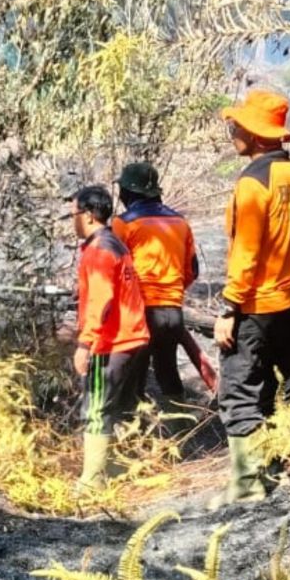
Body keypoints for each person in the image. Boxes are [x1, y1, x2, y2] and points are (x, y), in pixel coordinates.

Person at [214, 90, 290, 504]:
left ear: (254, 135)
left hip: (257, 306)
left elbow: (247, 252)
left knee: (239, 393)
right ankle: (271, 474)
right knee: (279, 392)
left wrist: (229, 309)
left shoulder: (254, 183)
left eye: (235, 126)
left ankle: (246, 488)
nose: (231, 131)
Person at [112, 162, 218, 404]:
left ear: (128, 192)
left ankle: (131, 433)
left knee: (131, 377)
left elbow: (115, 270)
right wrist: (171, 292)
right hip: (173, 312)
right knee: (167, 370)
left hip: (140, 314)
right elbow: (191, 271)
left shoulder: (123, 224)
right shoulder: (180, 222)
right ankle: (179, 431)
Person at [69, 185, 151, 489]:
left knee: (96, 408)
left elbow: (102, 301)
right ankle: (117, 471)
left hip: (113, 342)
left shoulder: (100, 250)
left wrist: (84, 344)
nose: (72, 221)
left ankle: (92, 482)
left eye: (73, 215)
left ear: (89, 216)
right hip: (133, 337)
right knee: (118, 406)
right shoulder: (113, 243)